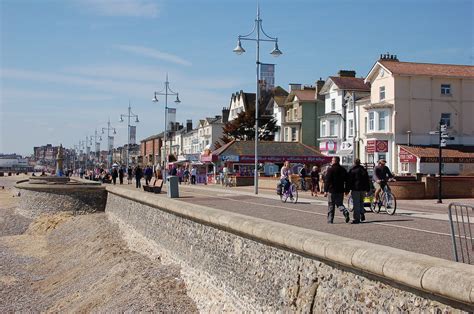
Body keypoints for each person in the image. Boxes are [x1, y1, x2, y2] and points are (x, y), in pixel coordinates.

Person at [324, 156, 350, 224]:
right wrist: (347, 189)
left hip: (332, 190)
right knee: (339, 204)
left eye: (332, 160)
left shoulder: (330, 170)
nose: (331, 162)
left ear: (334, 161)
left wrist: (325, 190)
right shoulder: (343, 170)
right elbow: (347, 180)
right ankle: (344, 210)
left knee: (331, 205)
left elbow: (327, 181)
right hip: (340, 190)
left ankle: (330, 220)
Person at [347, 159, 370, 224]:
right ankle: (362, 213)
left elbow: (349, 181)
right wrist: (368, 189)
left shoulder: (352, 170)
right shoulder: (363, 170)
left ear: (354, 163)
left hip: (355, 189)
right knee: (361, 202)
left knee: (356, 204)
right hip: (363, 189)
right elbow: (367, 180)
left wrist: (347, 189)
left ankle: (356, 219)